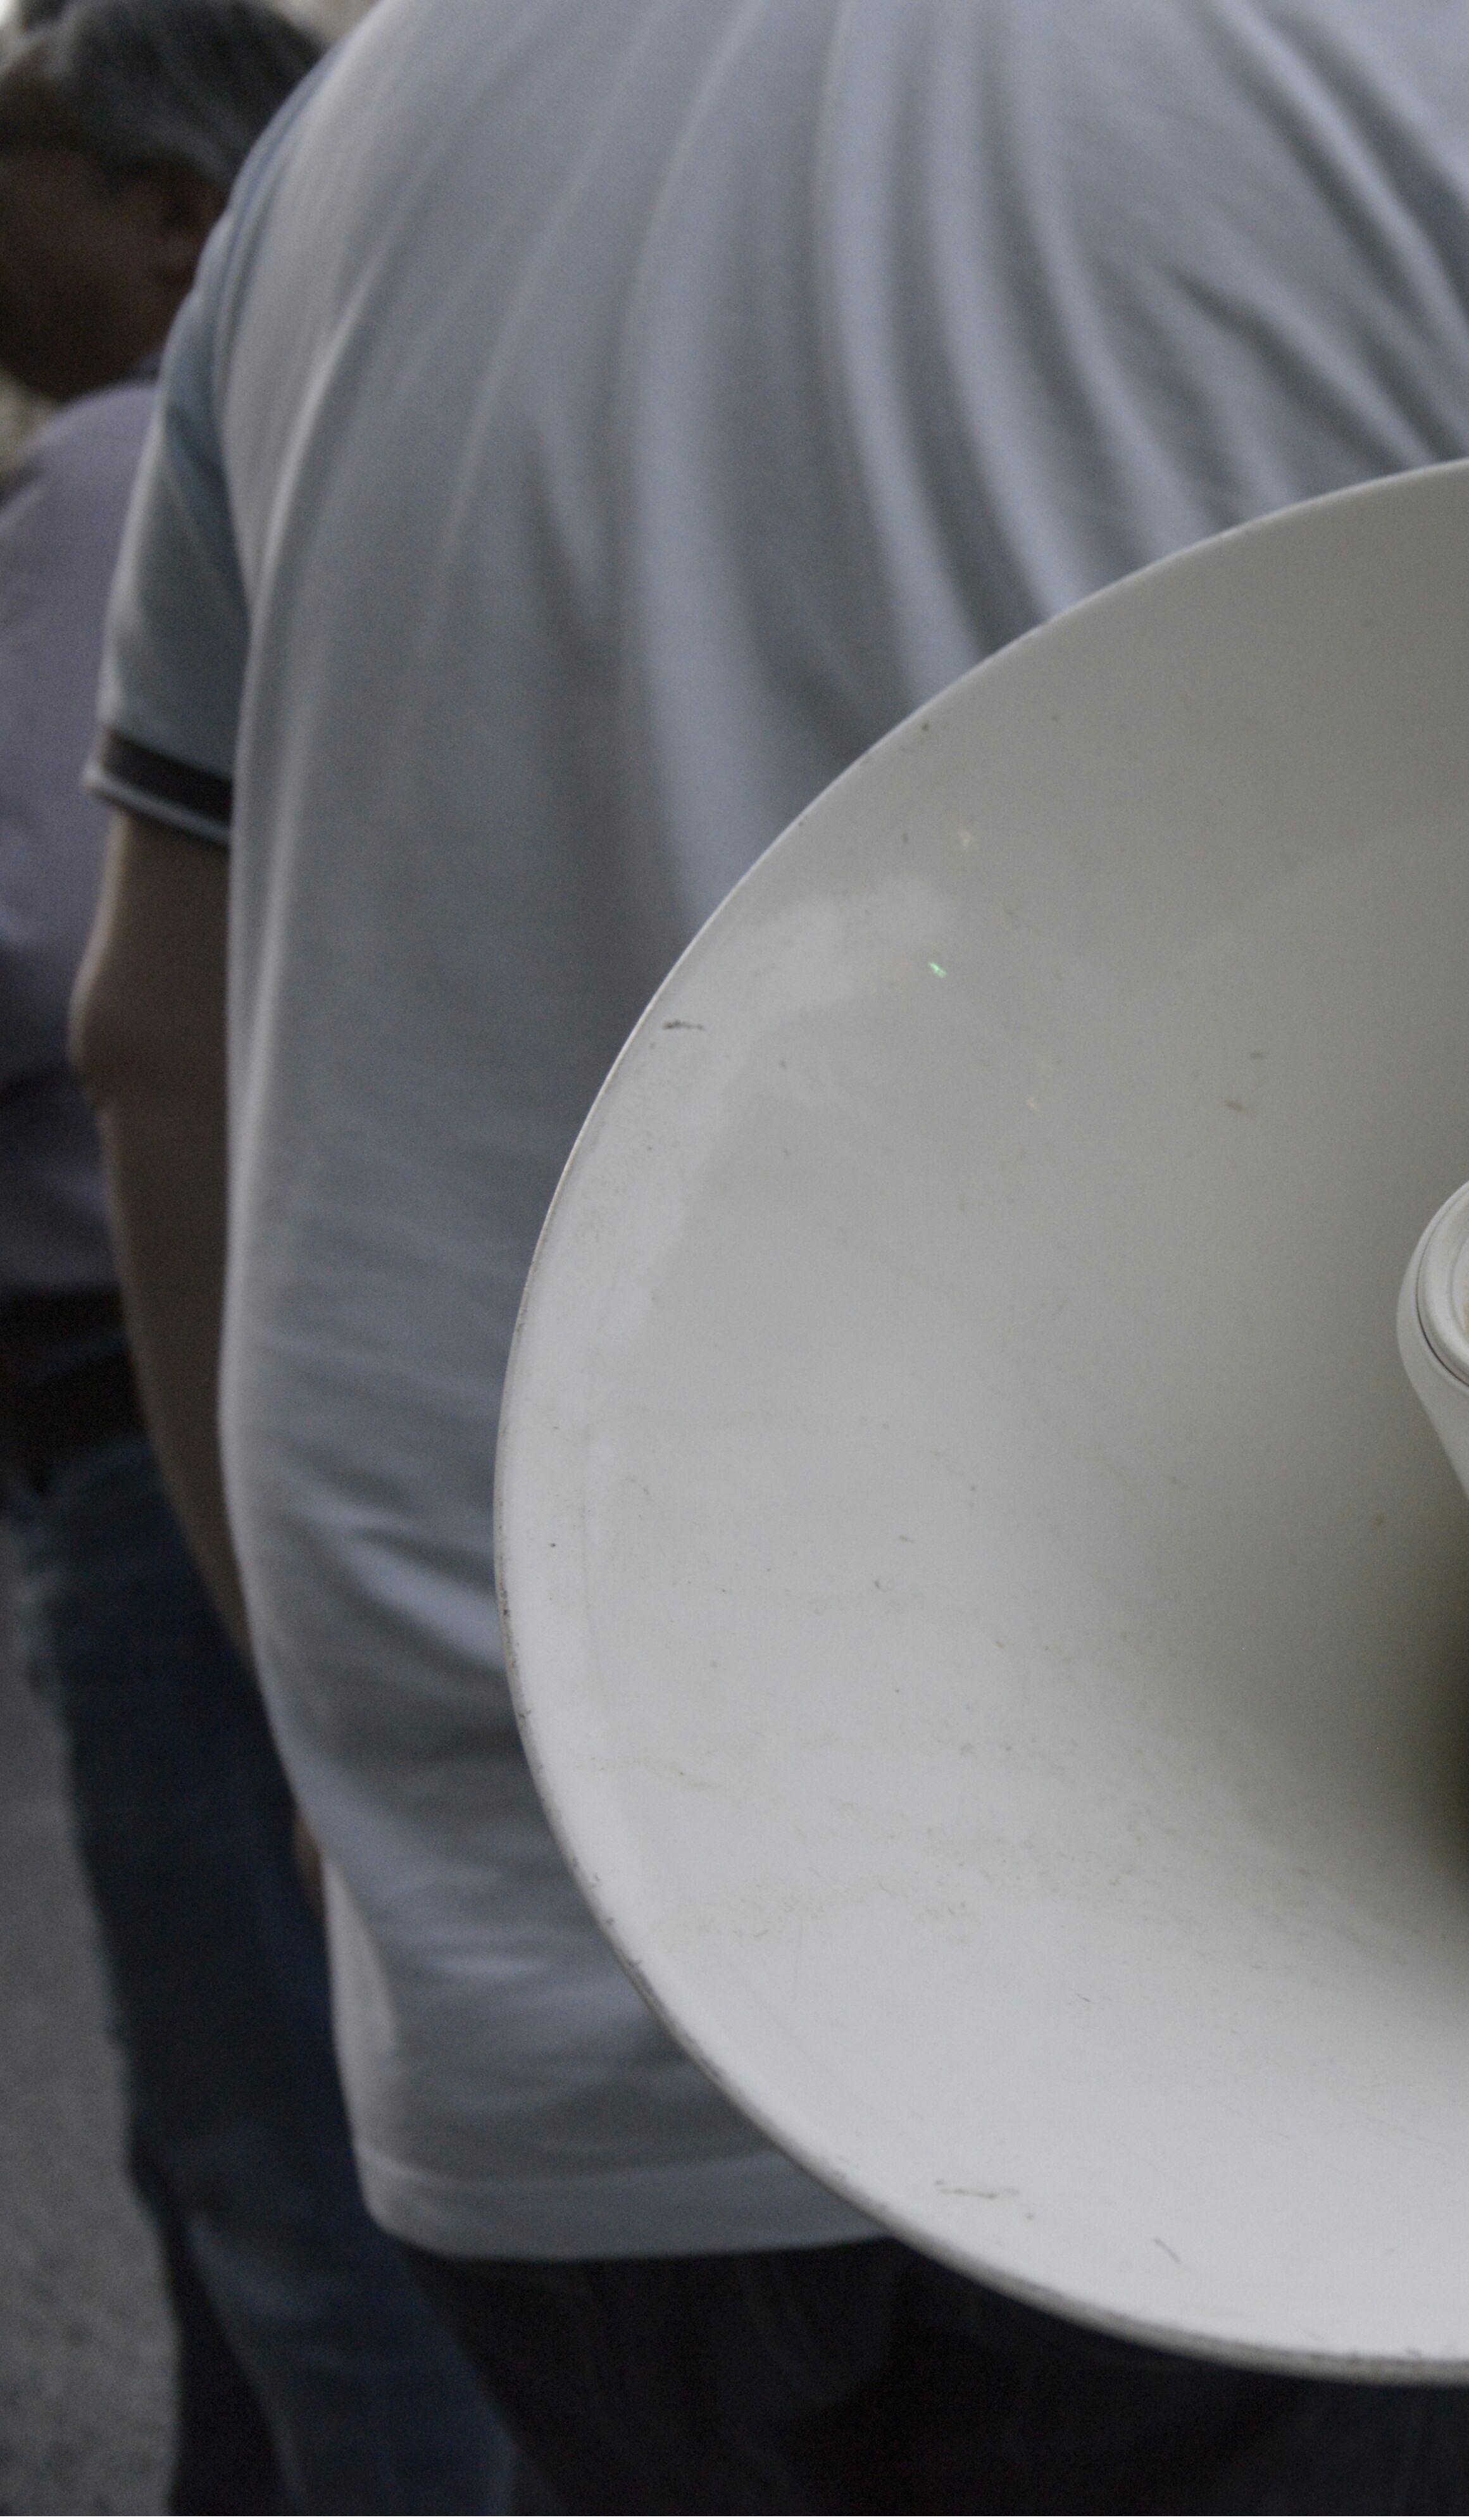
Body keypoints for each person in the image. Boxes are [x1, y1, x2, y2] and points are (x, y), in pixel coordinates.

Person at [68, 1, 1469, 2505]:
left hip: (560, 1947)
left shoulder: (343, 140)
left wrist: (342, 1732)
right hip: (1350, 2025)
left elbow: (156, 1038)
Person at [0, 4, 518, 2508]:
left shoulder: (126, 441)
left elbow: (90, 992)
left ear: (175, 209)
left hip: (156, 1385)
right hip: (271, 1375)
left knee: (286, 2174)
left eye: (18, 158)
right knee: (249, 2175)